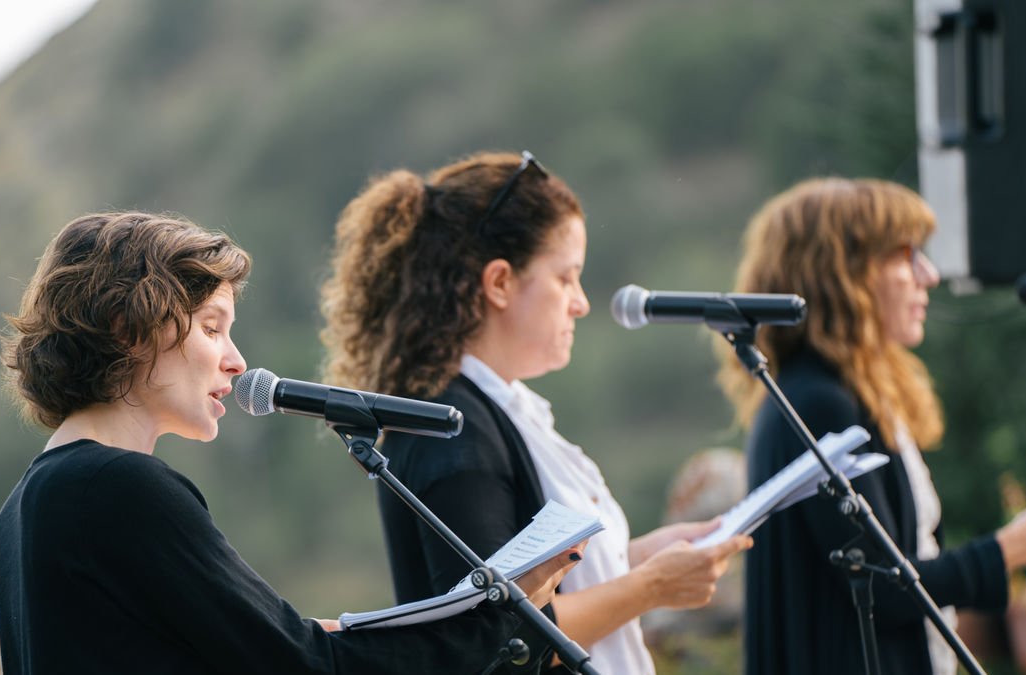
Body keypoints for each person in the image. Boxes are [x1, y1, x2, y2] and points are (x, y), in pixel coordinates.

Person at [0, 211, 583, 675]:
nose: (236, 360)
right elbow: (305, 668)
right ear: (129, 327)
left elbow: (263, 647)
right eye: (211, 327)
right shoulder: (120, 488)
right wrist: (498, 616)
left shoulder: (29, 506)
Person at [319, 151, 752, 674]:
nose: (581, 302)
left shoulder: (500, 408)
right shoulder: (452, 430)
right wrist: (650, 586)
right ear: (499, 283)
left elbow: (537, 582)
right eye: (566, 278)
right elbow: (495, 637)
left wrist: (633, 559)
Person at [716, 177, 1026, 675]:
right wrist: (1014, 547)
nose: (929, 275)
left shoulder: (843, 394)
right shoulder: (818, 402)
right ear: (841, 275)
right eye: (904, 255)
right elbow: (883, 584)